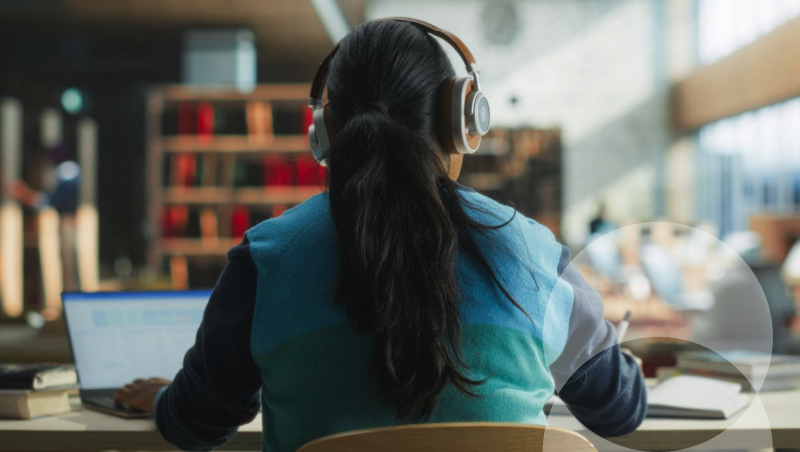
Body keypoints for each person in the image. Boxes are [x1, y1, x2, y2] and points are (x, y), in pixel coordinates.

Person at [115, 19, 646, 452]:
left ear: (325, 134)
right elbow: (620, 413)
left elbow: (196, 425)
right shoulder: (533, 255)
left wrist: (164, 399)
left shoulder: (264, 260)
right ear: (462, 119)